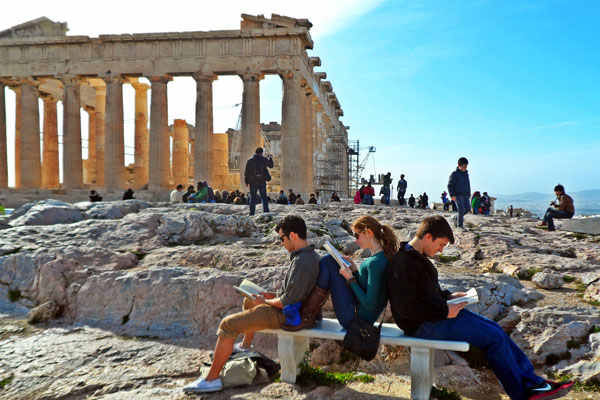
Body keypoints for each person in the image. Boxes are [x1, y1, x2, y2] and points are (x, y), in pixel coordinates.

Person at [386, 215, 574, 400]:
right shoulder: (403, 263)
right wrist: (445, 311)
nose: (441, 250)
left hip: (435, 317)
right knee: (493, 338)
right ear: (428, 237)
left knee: (496, 329)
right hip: (422, 325)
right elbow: (405, 309)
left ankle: (533, 384)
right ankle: (524, 393)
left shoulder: (416, 258)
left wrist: (449, 296)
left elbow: (426, 292)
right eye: (441, 244)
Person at [182, 215, 321, 393]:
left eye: (282, 238)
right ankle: (246, 346)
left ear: (292, 235)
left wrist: (265, 301)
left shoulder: (303, 262)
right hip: (293, 309)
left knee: (227, 325)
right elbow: (294, 293)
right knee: (249, 300)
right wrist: (268, 295)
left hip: (290, 315)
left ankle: (211, 379)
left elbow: (289, 301)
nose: (281, 243)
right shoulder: (305, 256)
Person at [283, 215, 399, 331]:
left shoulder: (375, 263)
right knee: (329, 260)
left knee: (328, 261)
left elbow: (369, 304)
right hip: (360, 315)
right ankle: (309, 315)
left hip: (356, 319)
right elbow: (366, 288)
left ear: (368, 232)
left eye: (357, 235)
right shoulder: (381, 258)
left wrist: (350, 278)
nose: (356, 240)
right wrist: (353, 269)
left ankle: (307, 316)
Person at [244, 147, 274, 216]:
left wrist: (246, 181)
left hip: (252, 181)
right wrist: (270, 158)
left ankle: (251, 213)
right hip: (262, 180)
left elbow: (246, 172)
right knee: (264, 197)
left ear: (255, 152)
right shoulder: (264, 159)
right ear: (261, 153)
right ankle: (266, 211)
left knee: (252, 197)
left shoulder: (250, 160)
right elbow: (271, 166)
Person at [447, 157, 471, 230]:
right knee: (461, 209)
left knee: (468, 208)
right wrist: (452, 195)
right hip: (457, 194)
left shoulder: (466, 174)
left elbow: (468, 184)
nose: (465, 168)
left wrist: (469, 193)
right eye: (463, 166)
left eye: (466, 166)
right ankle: (460, 226)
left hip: (465, 194)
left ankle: (456, 217)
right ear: (459, 165)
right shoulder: (454, 174)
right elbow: (450, 185)